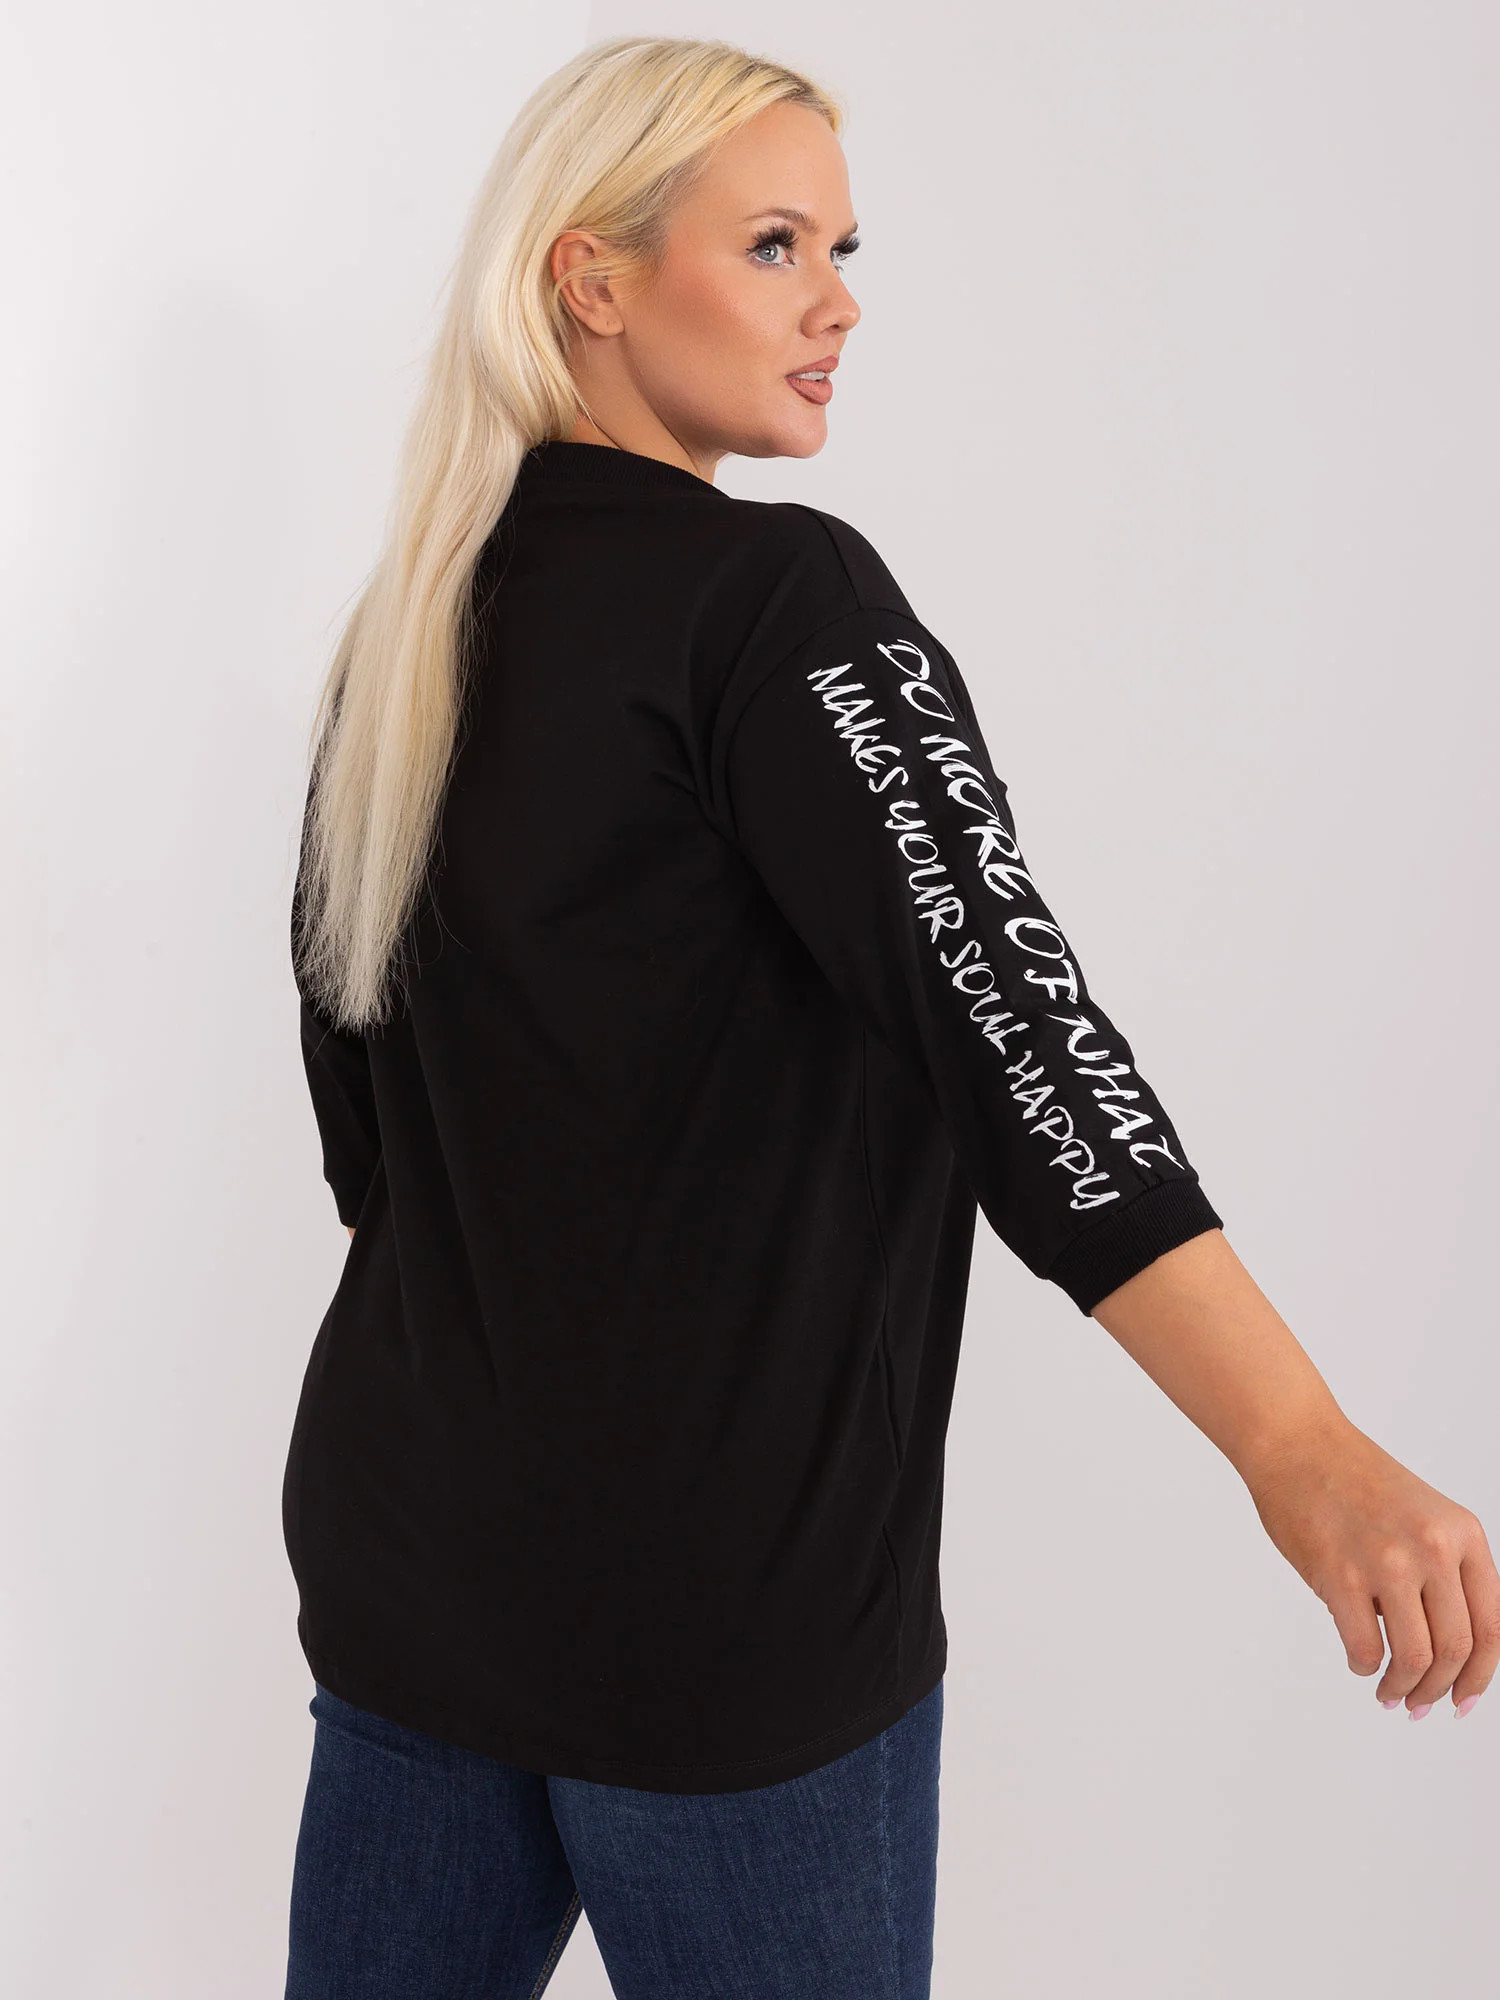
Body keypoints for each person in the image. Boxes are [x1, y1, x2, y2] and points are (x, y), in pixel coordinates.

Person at [280, 33, 1499, 2000]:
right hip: (721, 1642)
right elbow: (1023, 1041)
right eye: (774, 245)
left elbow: (372, 1147)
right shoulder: (779, 606)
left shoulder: (411, 629)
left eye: (842, 250)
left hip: (406, 1578)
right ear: (591, 278)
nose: (838, 302)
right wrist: (1303, 1445)